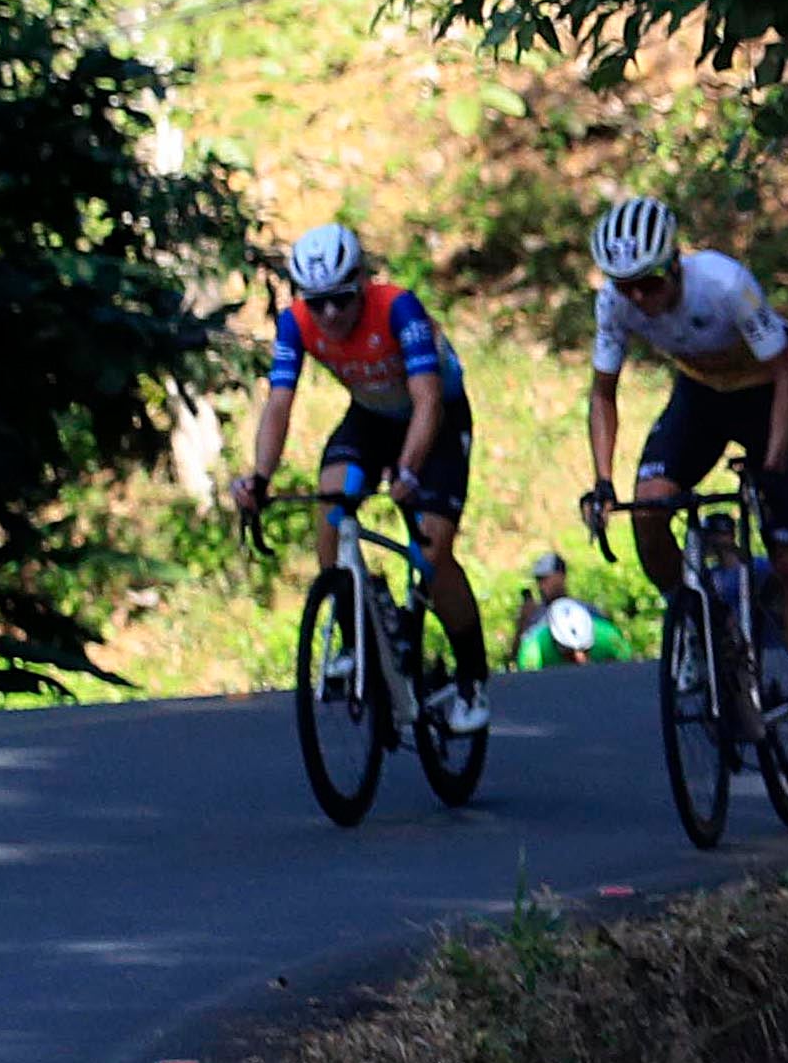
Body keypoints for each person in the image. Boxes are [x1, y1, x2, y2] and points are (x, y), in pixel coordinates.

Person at [574, 194, 788, 793]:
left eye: (651, 281)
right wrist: (604, 480)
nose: (640, 297)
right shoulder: (615, 303)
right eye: (626, 285)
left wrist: (771, 461)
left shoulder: (725, 285)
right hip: (701, 399)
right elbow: (602, 393)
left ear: (677, 265)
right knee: (648, 507)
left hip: (766, 397)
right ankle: (690, 618)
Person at [231, 222, 489, 735]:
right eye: (318, 301)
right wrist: (259, 478)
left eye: (341, 300)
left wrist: (410, 468)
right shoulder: (296, 322)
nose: (329, 314)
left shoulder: (398, 308)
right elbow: (279, 405)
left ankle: (471, 679)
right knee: (332, 509)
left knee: (431, 554)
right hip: (370, 418)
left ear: (362, 284)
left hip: (435, 420)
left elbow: (428, 400)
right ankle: (357, 636)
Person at [506, 550, 606, 667]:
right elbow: (517, 659)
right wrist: (523, 622)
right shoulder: (535, 615)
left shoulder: (584, 611)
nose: (541, 585)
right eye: (538, 580)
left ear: (561, 576)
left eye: (545, 579)